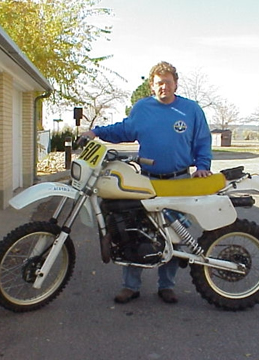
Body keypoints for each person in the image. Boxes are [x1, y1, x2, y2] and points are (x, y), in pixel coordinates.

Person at [80, 61, 212, 304]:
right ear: (152, 85)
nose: (164, 87)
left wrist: (203, 167)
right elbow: (124, 130)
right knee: (135, 232)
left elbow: (203, 141)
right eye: (159, 83)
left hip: (180, 180)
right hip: (147, 181)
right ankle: (130, 286)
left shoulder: (191, 110)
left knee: (175, 233)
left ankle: (167, 286)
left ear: (176, 83)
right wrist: (96, 133)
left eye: (168, 82)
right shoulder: (142, 108)